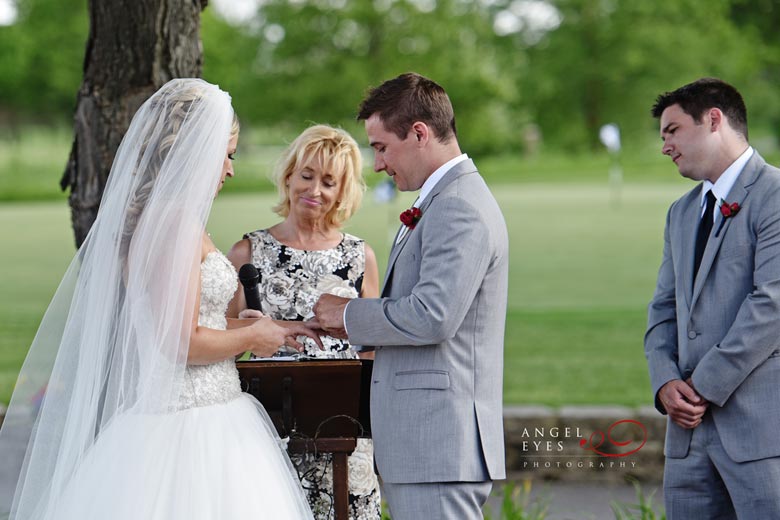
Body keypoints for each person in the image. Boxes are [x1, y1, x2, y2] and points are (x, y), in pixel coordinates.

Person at [0, 79, 317, 519]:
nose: (229, 170)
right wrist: (255, 337)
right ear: (193, 151)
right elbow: (181, 344)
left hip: (211, 413)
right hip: (189, 429)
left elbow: (184, 322)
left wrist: (265, 330)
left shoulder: (171, 219)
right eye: (225, 155)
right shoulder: (173, 225)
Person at [313, 72, 509, 520]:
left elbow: (432, 316)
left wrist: (345, 315)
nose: (377, 163)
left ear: (419, 133)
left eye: (381, 146)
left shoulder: (458, 205)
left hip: (438, 442)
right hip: (426, 443)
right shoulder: (441, 199)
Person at [226, 124, 381, 519]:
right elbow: (220, 339)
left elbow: (373, 348)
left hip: (344, 432)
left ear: (343, 190)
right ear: (289, 175)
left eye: (329, 182)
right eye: (306, 176)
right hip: (267, 431)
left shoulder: (361, 256)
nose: (314, 191)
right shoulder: (248, 251)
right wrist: (245, 328)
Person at [645, 77, 780, 518]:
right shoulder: (680, 212)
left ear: (714, 120)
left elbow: (771, 306)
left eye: (672, 131)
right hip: (685, 438)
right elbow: (664, 308)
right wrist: (665, 382)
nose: (665, 146)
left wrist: (700, 388)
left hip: (759, 434)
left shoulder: (774, 195)